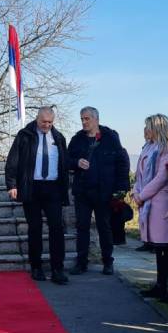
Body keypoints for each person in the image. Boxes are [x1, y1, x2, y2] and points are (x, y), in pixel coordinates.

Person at [5, 107, 69, 284]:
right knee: (35, 228)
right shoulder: (24, 135)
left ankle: (58, 269)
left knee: (57, 228)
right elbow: (13, 161)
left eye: (50, 122)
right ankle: (36, 267)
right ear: (37, 119)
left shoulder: (59, 137)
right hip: (31, 188)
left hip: (53, 188)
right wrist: (12, 184)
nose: (47, 125)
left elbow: (64, 161)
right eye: (44, 122)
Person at [68, 107, 129, 276]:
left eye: (87, 118)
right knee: (82, 227)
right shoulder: (77, 139)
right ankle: (81, 262)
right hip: (83, 192)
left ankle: (108, 262)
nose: (84, 122)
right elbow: (66, 160)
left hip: (105, 192)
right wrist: (76, 162)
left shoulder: (110, 137)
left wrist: (121, 189)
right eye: (82, 119)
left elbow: (122, 162)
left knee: (104, 227)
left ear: (96, 119)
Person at [133, 114, 168, 302]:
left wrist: (142, 195)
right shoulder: (147, 147)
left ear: (157, 129)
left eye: (148, 127)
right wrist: (136, 192)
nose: (145, 131)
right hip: (148, 203)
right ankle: (160, 285)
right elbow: (139, 175)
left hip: (161, 203)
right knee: (159, 249)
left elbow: (161, 178)